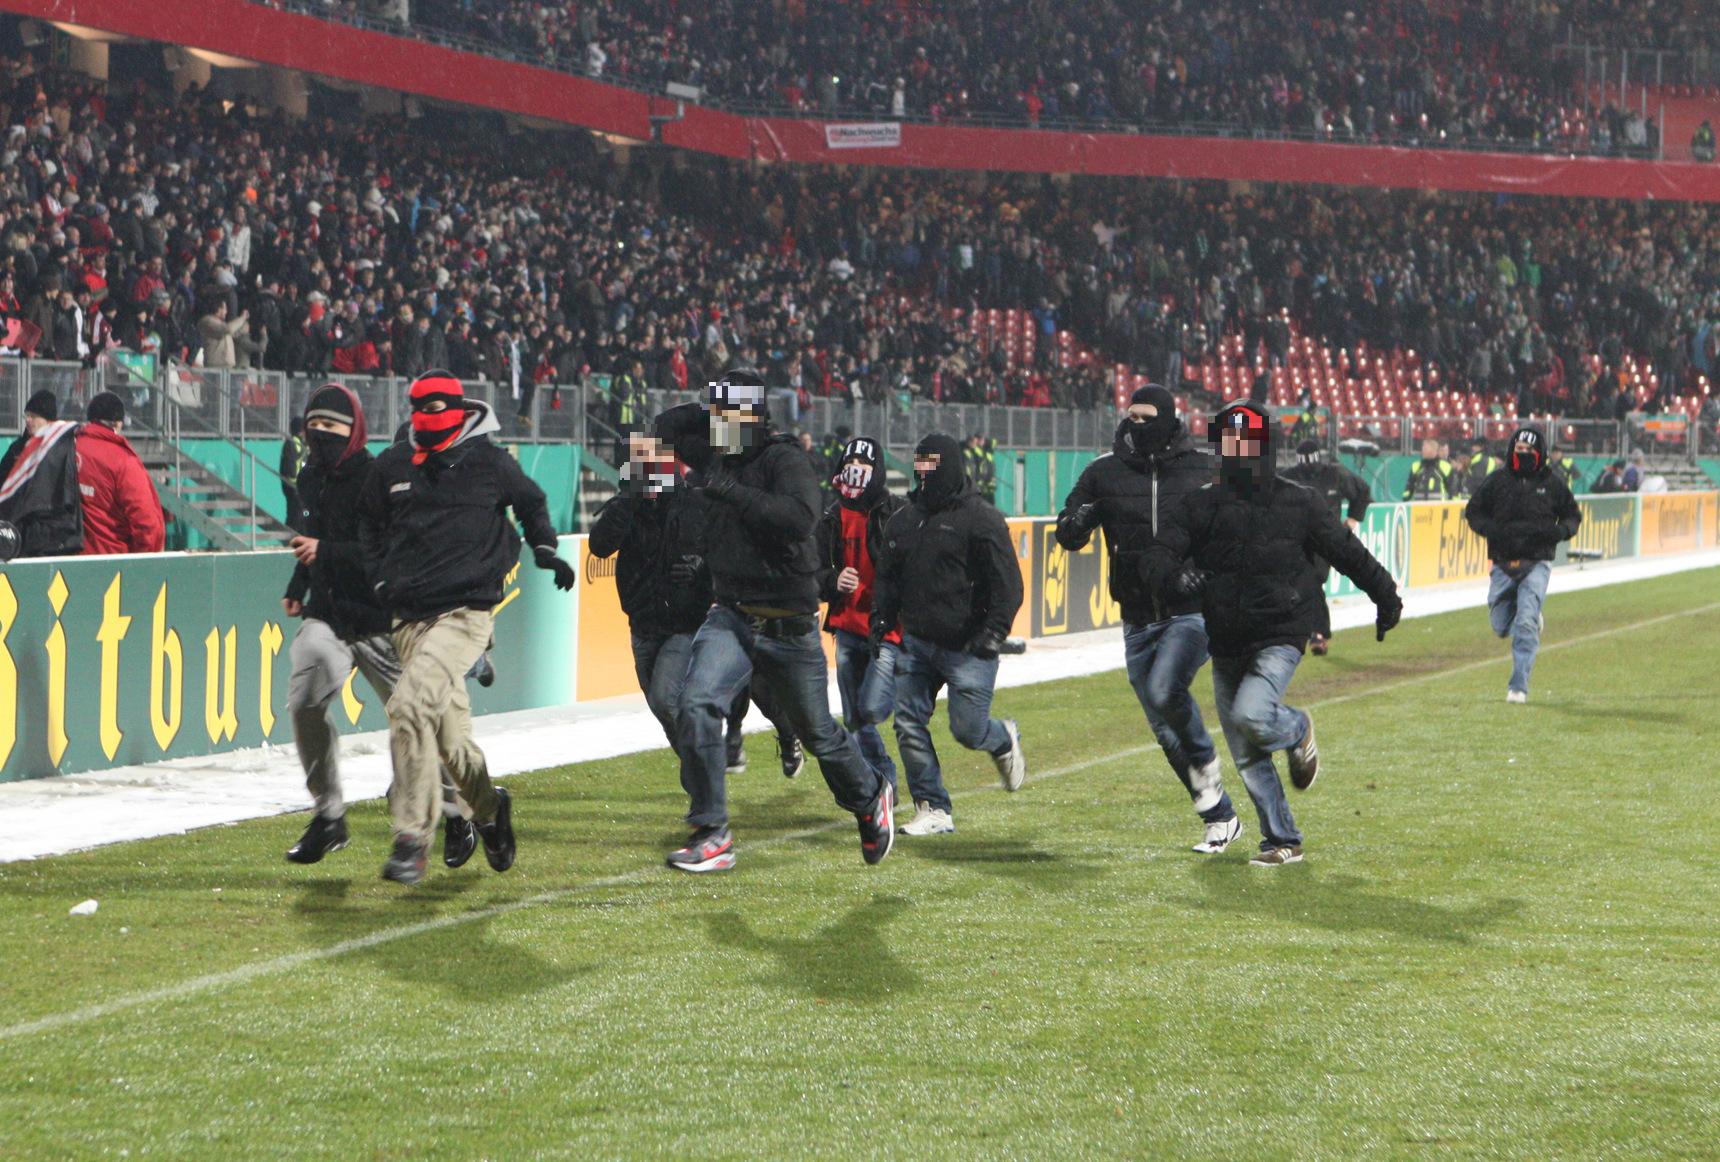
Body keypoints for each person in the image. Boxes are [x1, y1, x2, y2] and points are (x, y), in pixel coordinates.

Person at [1142, 401, 1403, 867]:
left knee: (1251, 716)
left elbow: (1348, 553)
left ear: (1264, 447)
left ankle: (1298, 728)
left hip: (1280, 633)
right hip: (1225, 638)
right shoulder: (1204, 503)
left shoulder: (1298, 501)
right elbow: (1159, 555)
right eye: (1231, 442)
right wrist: (1175, 580)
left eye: (1245, 443)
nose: (1237, 452)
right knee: (1245, 753)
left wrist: (1386, 597)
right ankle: (1282, 840)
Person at [670, 367, 896, 872]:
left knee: (818, 735)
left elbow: (798, 518)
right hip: (731, 616)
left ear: (752, 417)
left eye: (727, 415)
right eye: (714, 416)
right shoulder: (715, 450)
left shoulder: (784, 458)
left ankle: (868, 796)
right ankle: (713, 832)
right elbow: (664, 426)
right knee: (697, 701)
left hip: (788, 623)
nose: (716, 426)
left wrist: (728, 489)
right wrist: (710, 405)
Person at [358, 371, 576, 885]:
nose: (432, 418)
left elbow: (532, 501)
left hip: (465, 614)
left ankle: (412, 838)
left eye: (441, 408)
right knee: (453, 745)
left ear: (461, 409)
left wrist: (545, 547)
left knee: (409, 708)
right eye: (423, 409)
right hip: (408, 620)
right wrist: (380, 578)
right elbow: (367, 524)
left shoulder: (490, 462)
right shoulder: (390, 465)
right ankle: (488, 809)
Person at [280, 384, 478, 868]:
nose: (320, 433)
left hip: (381, 620)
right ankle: (329, 816)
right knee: (305, 699)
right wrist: (299, 582)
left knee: (423, 723)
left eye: (332, 426)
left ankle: (456, 812)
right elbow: (316, 537)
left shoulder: (377, 478)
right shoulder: (309, 476)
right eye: (315, 424)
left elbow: (384, 554)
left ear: (354, 431)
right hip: (329, 613)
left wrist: (324, 553)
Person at [1057, 385, 1241, 853]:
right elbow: (1067, 532)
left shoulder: (1205, 466)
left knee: (1165, 688)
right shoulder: (1104, 471)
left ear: (1167, 417)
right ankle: (1219, 816)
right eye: (1131, 416)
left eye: (1146, 416)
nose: (1136, 424)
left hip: (1191, 611)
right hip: (1136, 617)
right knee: (1162, 728)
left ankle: (1206, 760)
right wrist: (1080, 519)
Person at [874, 433, 1025, 836]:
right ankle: (933, 808)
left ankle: (1001, 739)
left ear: (952, 464)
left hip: (969, 645)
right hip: (918, 642)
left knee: (968, 731)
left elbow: (1007, 583)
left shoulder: (981, 518)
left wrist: (994, 631)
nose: (924, 469)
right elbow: (887, 578)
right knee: (907, 723)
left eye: (932, 462)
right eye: (919, 461)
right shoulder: (903, 519)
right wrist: (883, 618)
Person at [588, 406, 717, 752]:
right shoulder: (624, 507)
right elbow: (600, 546)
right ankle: (699, 769)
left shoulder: (693, 500)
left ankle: (705, 766)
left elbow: (718, 550)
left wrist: (700, 570)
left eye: (650, 456)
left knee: (664, 698)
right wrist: (630, 499)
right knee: (662, 708)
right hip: (643, 624)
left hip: (684, 622)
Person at [816, 435, 905, 807]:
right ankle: (883, 780)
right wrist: (832, 581)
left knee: (870, 709)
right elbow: (814, 573)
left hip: (886, 629)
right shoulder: (831, 516)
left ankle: (886, 777)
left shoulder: (897, 513)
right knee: (855, 718)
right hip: (849, 627)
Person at [1463, 427, 1582, 704]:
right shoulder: (1497, 481)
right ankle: (1529, 619)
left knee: (1525, 622)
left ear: (1539, 453)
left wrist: (1559, 532)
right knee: (1500, 625)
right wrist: (1489, 529)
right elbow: (1473, 511)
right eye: (1520, 451)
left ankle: (1518, 687)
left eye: (1530, 451)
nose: (1525, 455)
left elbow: (1572, 515)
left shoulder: (1552, 483)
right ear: (1511, 451)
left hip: (1536, 562)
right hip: (1503, 563)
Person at [1282, 438, 1372, 656]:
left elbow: (1362, 491)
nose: (1305, 465)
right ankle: (1310, 631)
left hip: (1325, 540)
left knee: (1312, 579)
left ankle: (1317, 633)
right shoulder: (1287, 477)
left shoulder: (1335, 474)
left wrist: (1352, 519)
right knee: (1302, 584)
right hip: (1296, 541)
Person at [75, 393, 165, 556]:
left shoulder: (71, 448)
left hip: (72, 558)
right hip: (114, 561)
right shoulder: (122, 460)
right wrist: (146, 556)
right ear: (118, 423)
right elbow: (146, 521)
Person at [0, 391, 83, 557]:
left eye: (33, 416)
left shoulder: (64, 448)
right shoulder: (18, 449)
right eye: (26, 415)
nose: (28, 420)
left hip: (53, 532)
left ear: (48, 419)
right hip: (22, 529)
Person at [280, 415, 306, 529]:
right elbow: (291, 466)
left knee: (296, 511)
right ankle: (292, 535)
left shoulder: (299, 443)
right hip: (293, 484)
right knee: (297, 512)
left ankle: (291, 534)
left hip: (294, 484)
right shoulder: (293, 443)